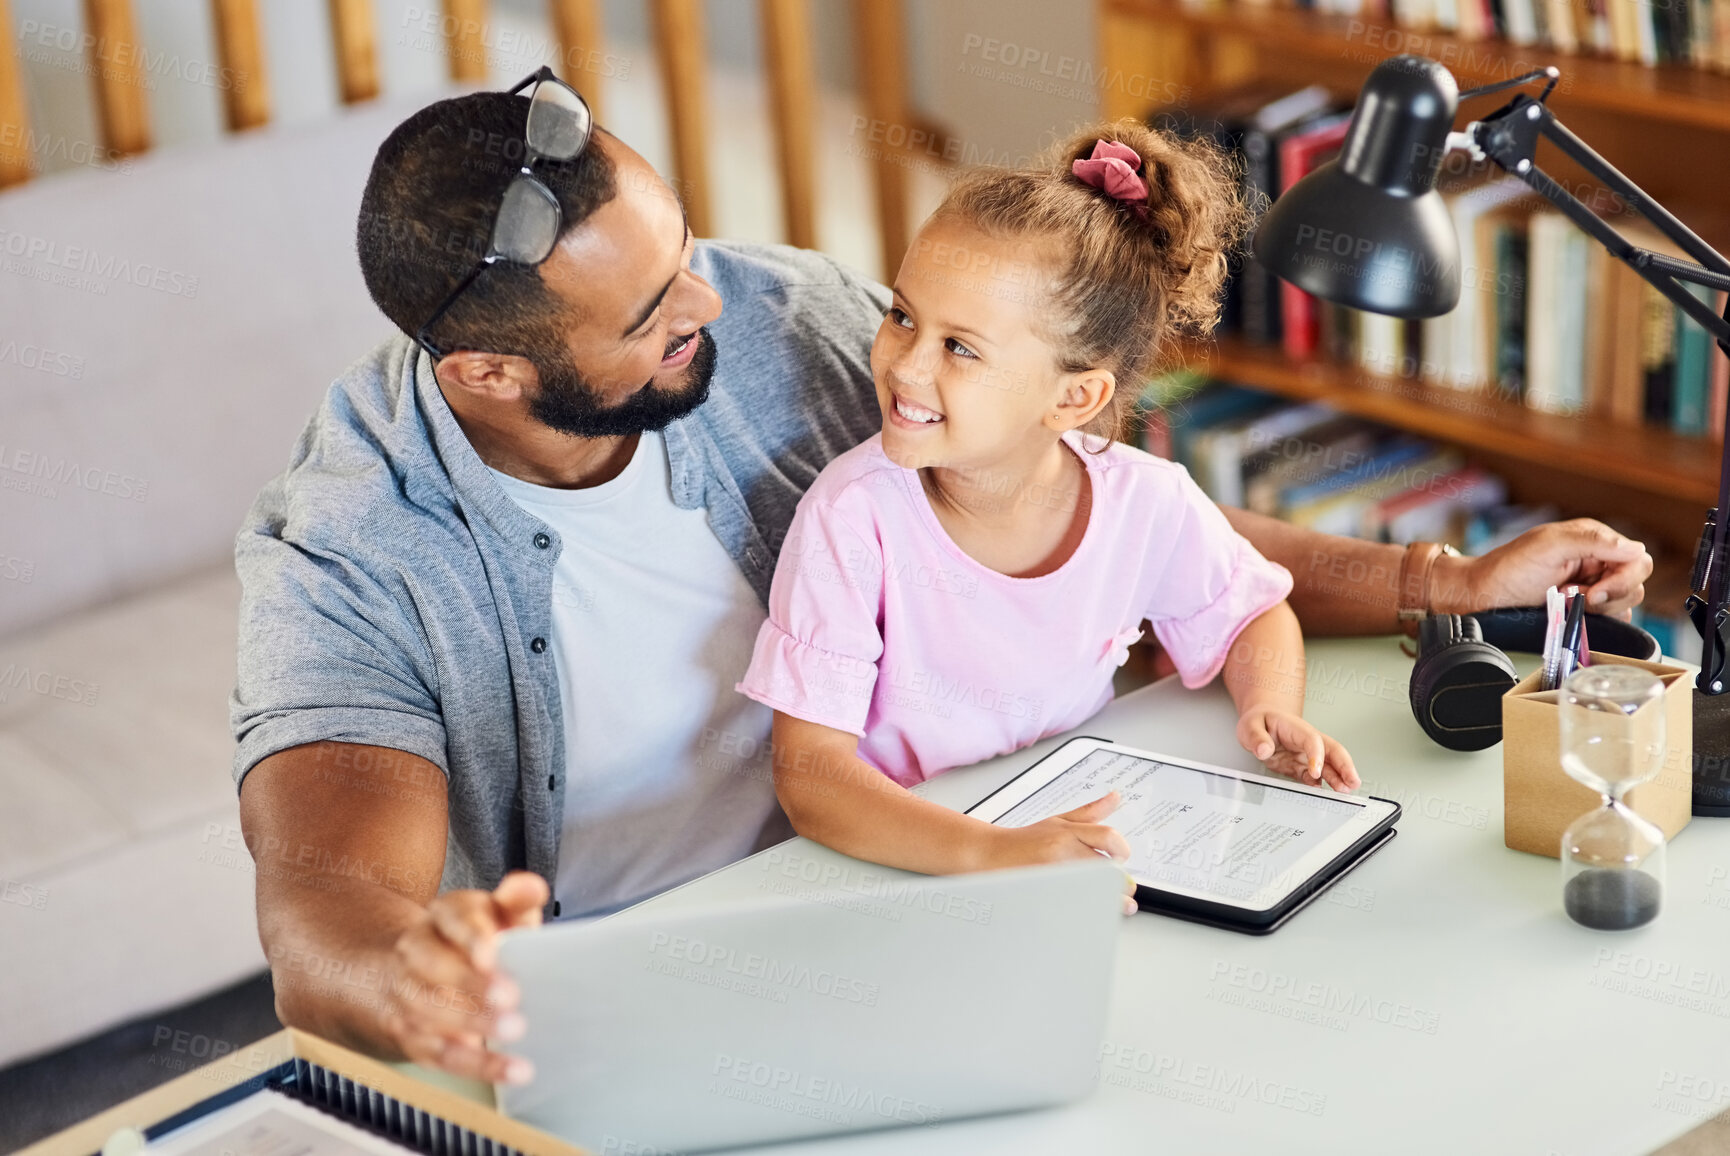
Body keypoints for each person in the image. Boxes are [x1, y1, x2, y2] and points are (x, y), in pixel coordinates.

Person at [231, 79, 1654, 1087]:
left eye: (688, 255)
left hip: (940, 894)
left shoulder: (778, 319)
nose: (715, 302)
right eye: (659, 308)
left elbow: (1114, 514)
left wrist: (1440, 578)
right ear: (489, 375)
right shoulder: (355, 539)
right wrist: (410, 973)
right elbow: (324, 892)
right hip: (663, 981)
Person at [736, 125, 1358, 895]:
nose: (906, 363)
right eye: (902, 316)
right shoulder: (851, 517)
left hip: (1060, 832)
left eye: (960, 348)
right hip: (903, 861)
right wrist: (996, 854)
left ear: (1075, 397)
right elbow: (811, 780)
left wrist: (1271, 708)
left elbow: (1252, 613)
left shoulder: (1144, 499)